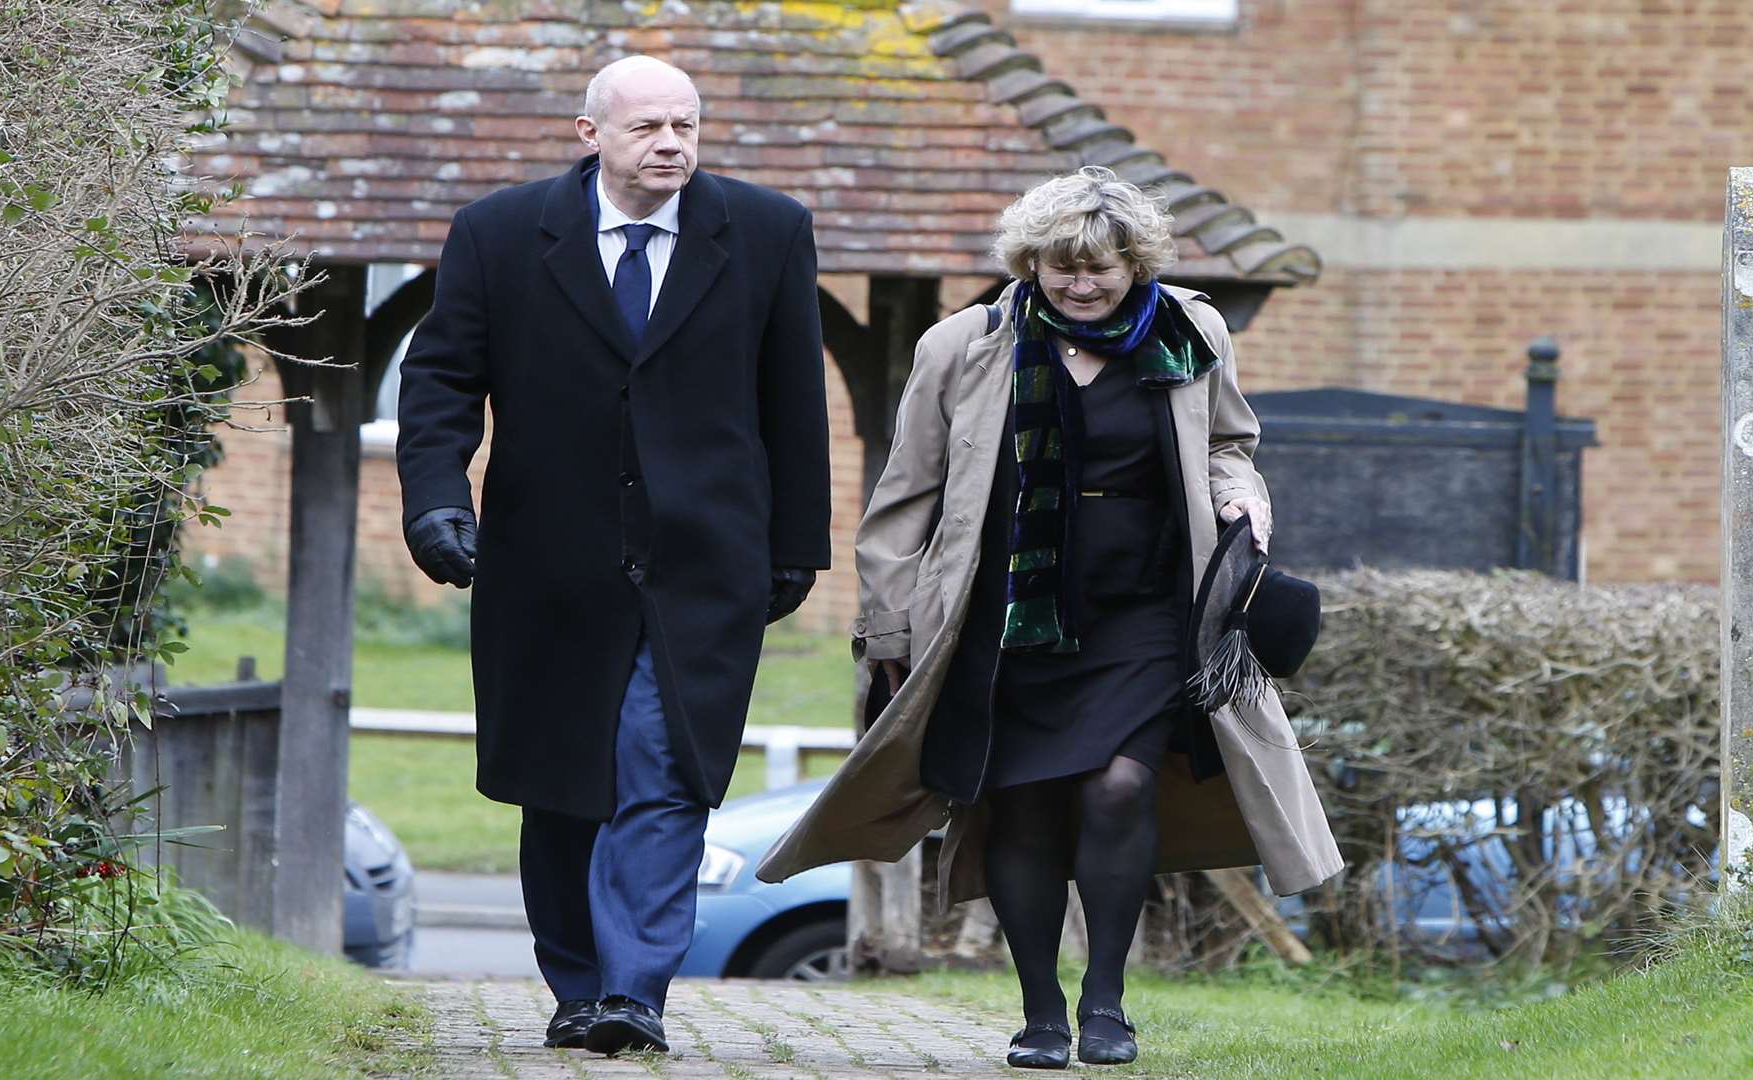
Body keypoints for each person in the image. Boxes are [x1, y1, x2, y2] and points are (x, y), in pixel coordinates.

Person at [757, 167, 1342, 1070]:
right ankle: (1040, 1014)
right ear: (1028, 263)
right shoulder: (966, 344)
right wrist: (890, 631)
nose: (1078, 284)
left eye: (1098, 269)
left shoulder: (1192, 329)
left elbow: (1230, 442)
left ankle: (1106, 1001)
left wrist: (1241, 501)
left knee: (1118, 786)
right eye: (1058, 267)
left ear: (1134, 263)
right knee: (1021, 807)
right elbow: (906, 495)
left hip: (1147, 608)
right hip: (1008, 616)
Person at [396, 55, 830, 1056]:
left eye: (685, 125)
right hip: (545, 566)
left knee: (664, 767)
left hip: (703, 564)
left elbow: (793, 403)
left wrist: (797, 544)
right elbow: (440, 387)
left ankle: (634, 991)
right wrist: (434, 508)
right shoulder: (500, 234)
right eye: (647, 128)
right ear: (589, 133)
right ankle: (578, 985)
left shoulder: (766, 232)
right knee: (560, 782)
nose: (670, 144)